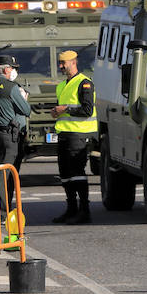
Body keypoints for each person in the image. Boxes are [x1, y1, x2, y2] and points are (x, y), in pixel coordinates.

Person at [52, 49, 97, 224]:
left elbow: (87, 110)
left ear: (73, 62)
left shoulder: (84, 83)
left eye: (63, 63)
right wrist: (57, 112)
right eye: (60, 63)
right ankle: (71, 209)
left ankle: (84, 211)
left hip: (79, 134)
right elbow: (63, 109)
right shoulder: (61, 86)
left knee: (77, 172)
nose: (61, 66)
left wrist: (65, 109)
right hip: (64, 134)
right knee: (65, 173)